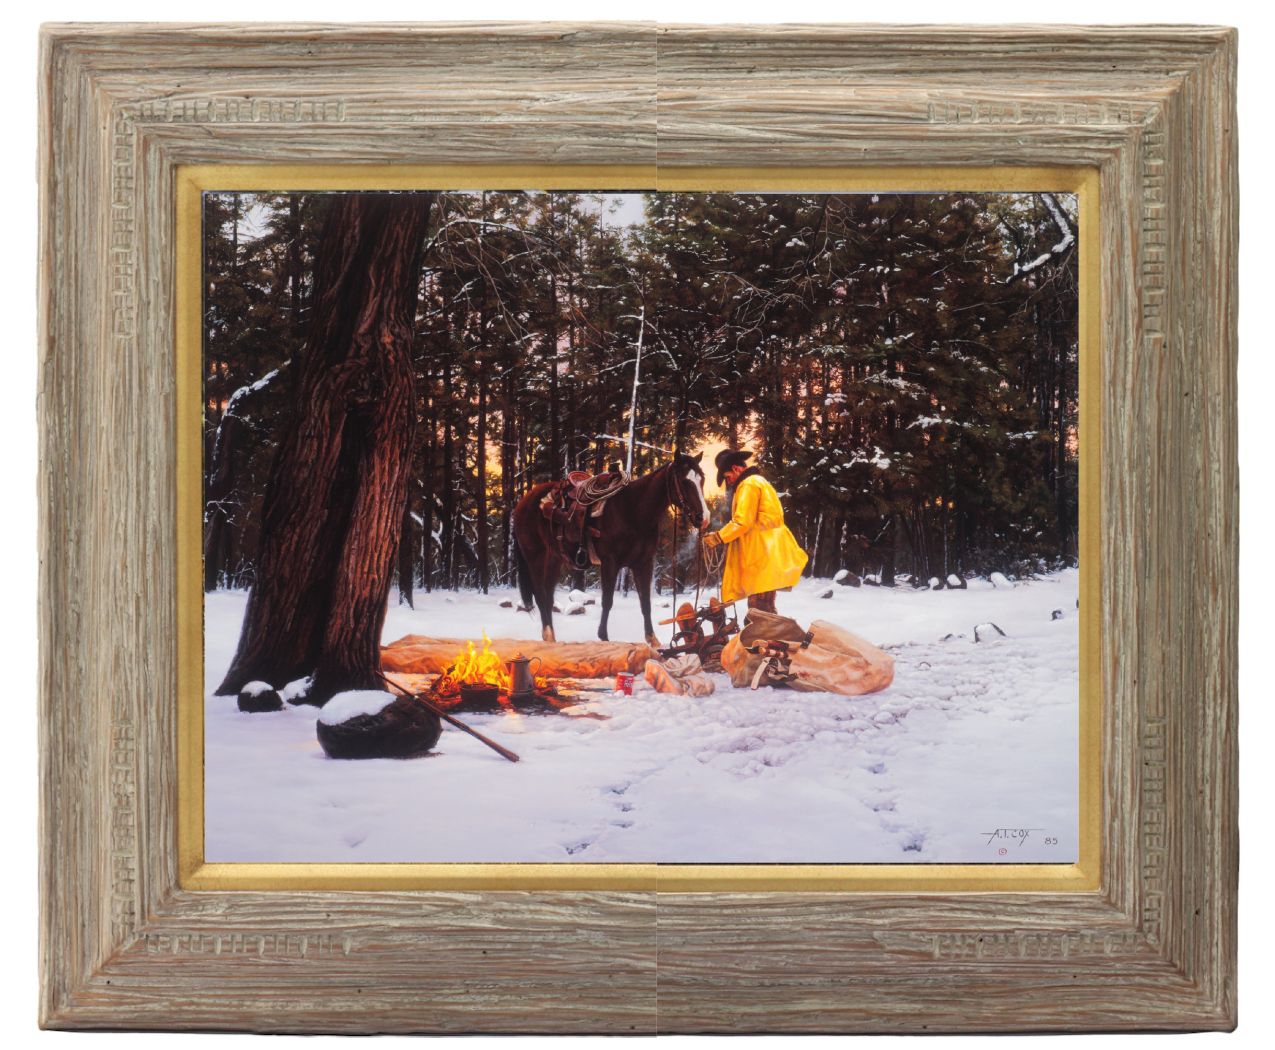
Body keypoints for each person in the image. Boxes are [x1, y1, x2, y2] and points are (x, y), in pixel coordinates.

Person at [702, 449, 808, 613]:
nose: (728, 482)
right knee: (765, 609)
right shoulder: (759, 481)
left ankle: (764, 629)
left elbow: (742, 521)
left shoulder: (748, 484)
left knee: (759, 610)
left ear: (736, 468)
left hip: (761, 556)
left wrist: (718, 537)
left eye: (728, 476)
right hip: (768, 554)